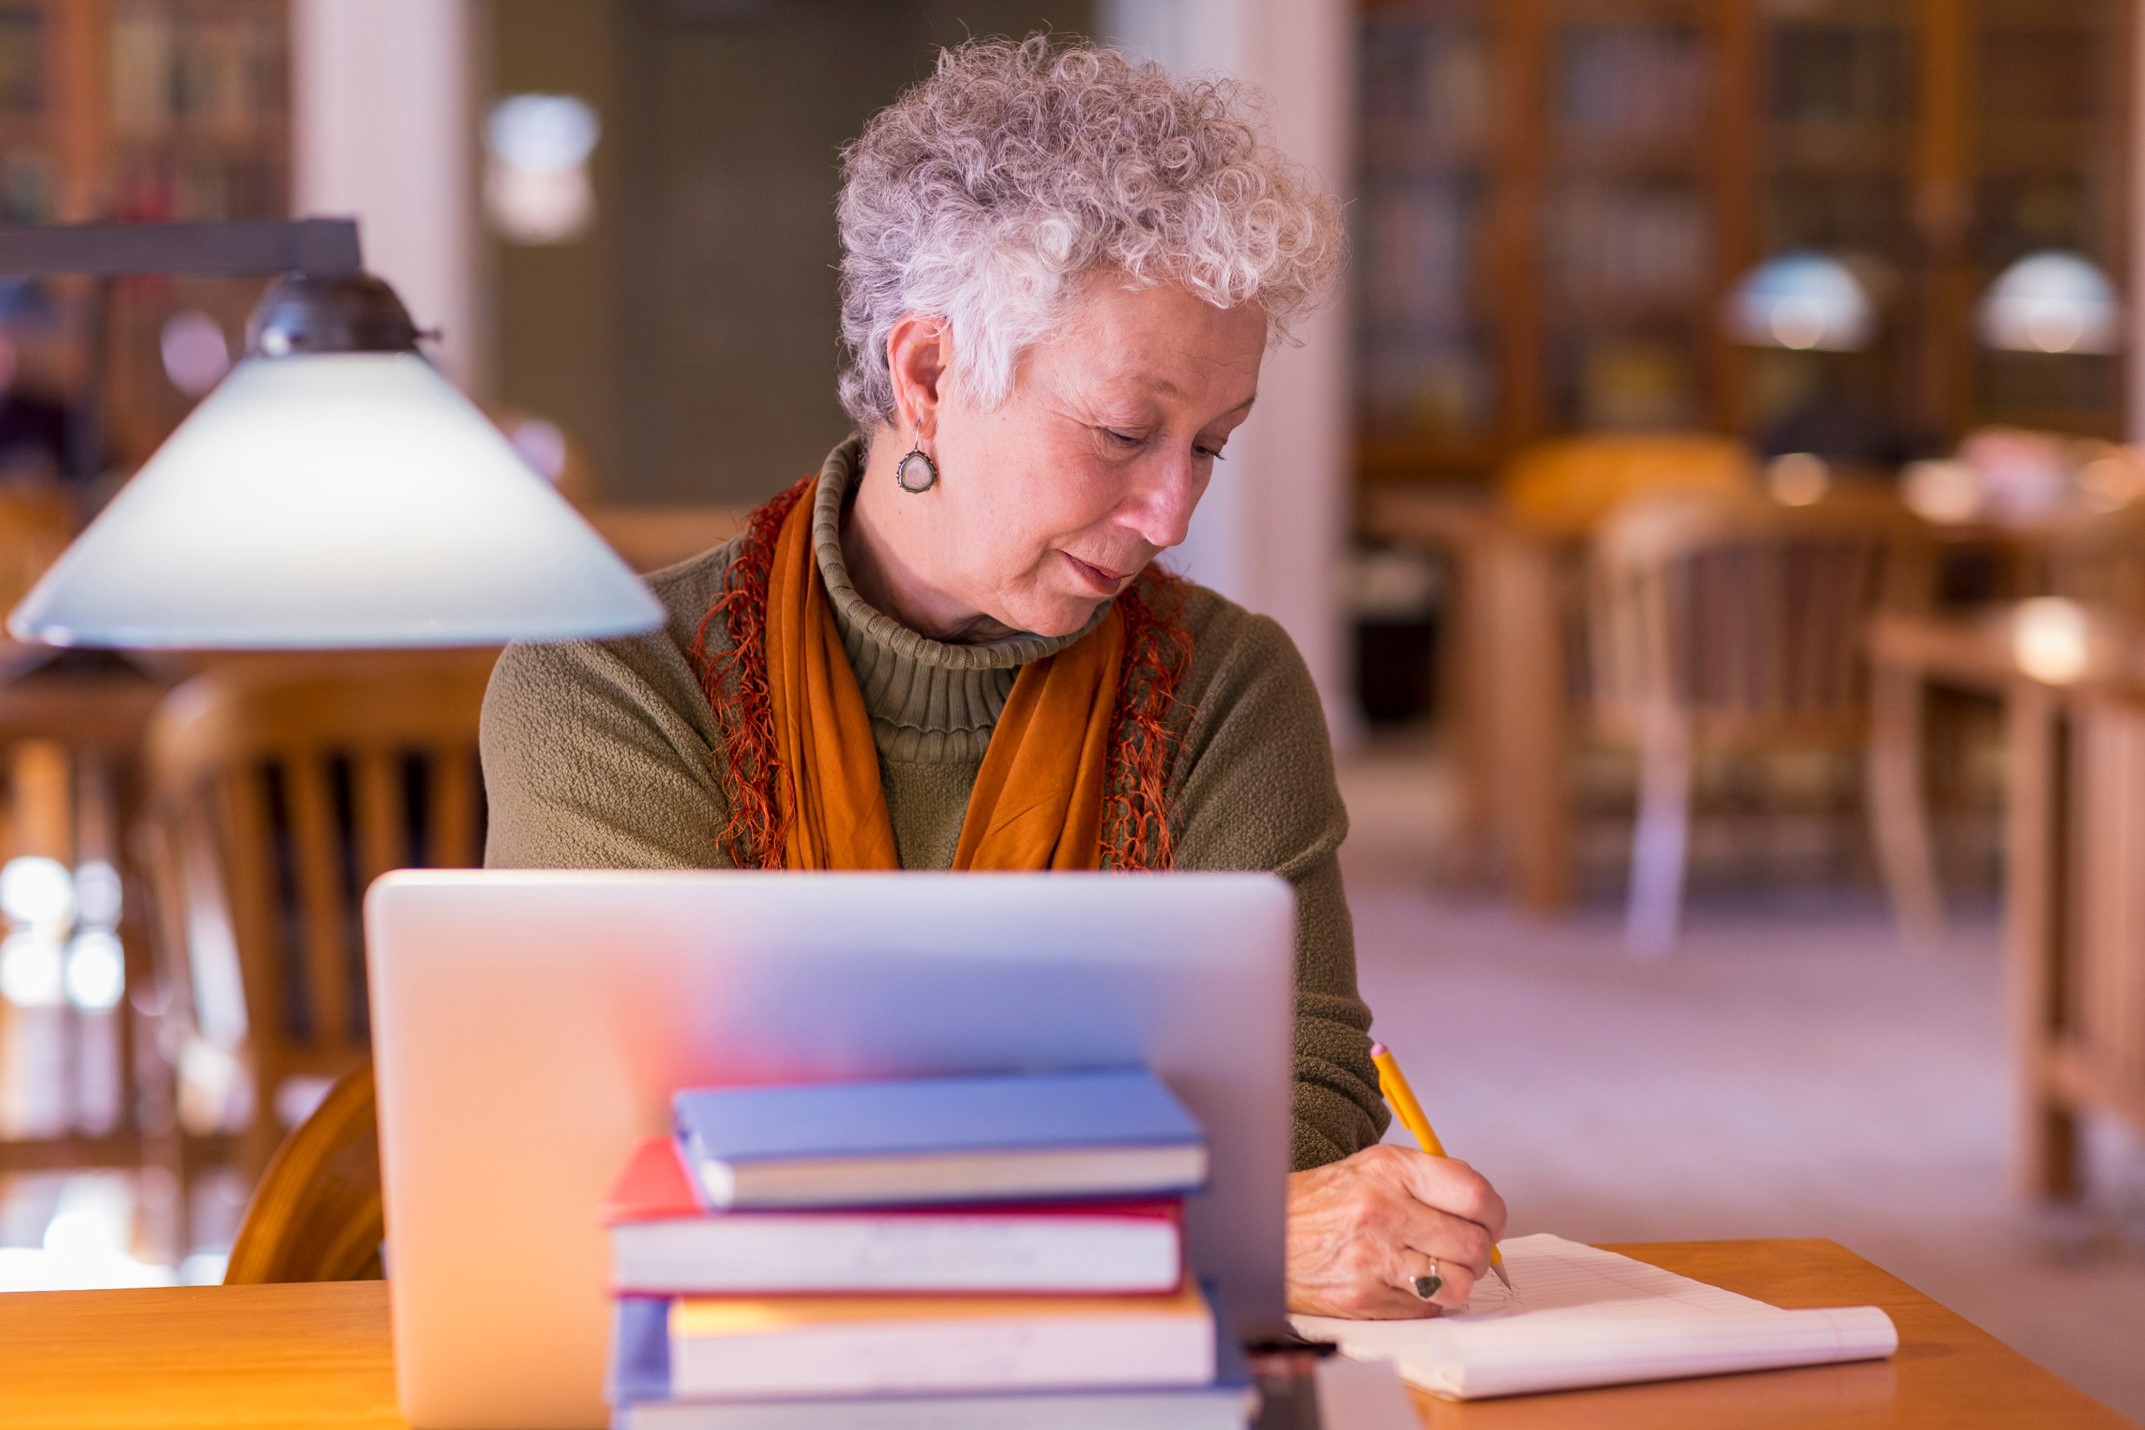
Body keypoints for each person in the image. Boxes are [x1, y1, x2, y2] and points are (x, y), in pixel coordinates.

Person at [481, 35, 1506, 1320]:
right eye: (1126, 433)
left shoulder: (1233, 684)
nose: (1173, 511)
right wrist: (1201, 1209)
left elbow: (1304, 1113)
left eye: (1212, 445)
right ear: (928, 376)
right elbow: (651, 1160)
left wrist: (877, 1166)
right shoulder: (610, 684)